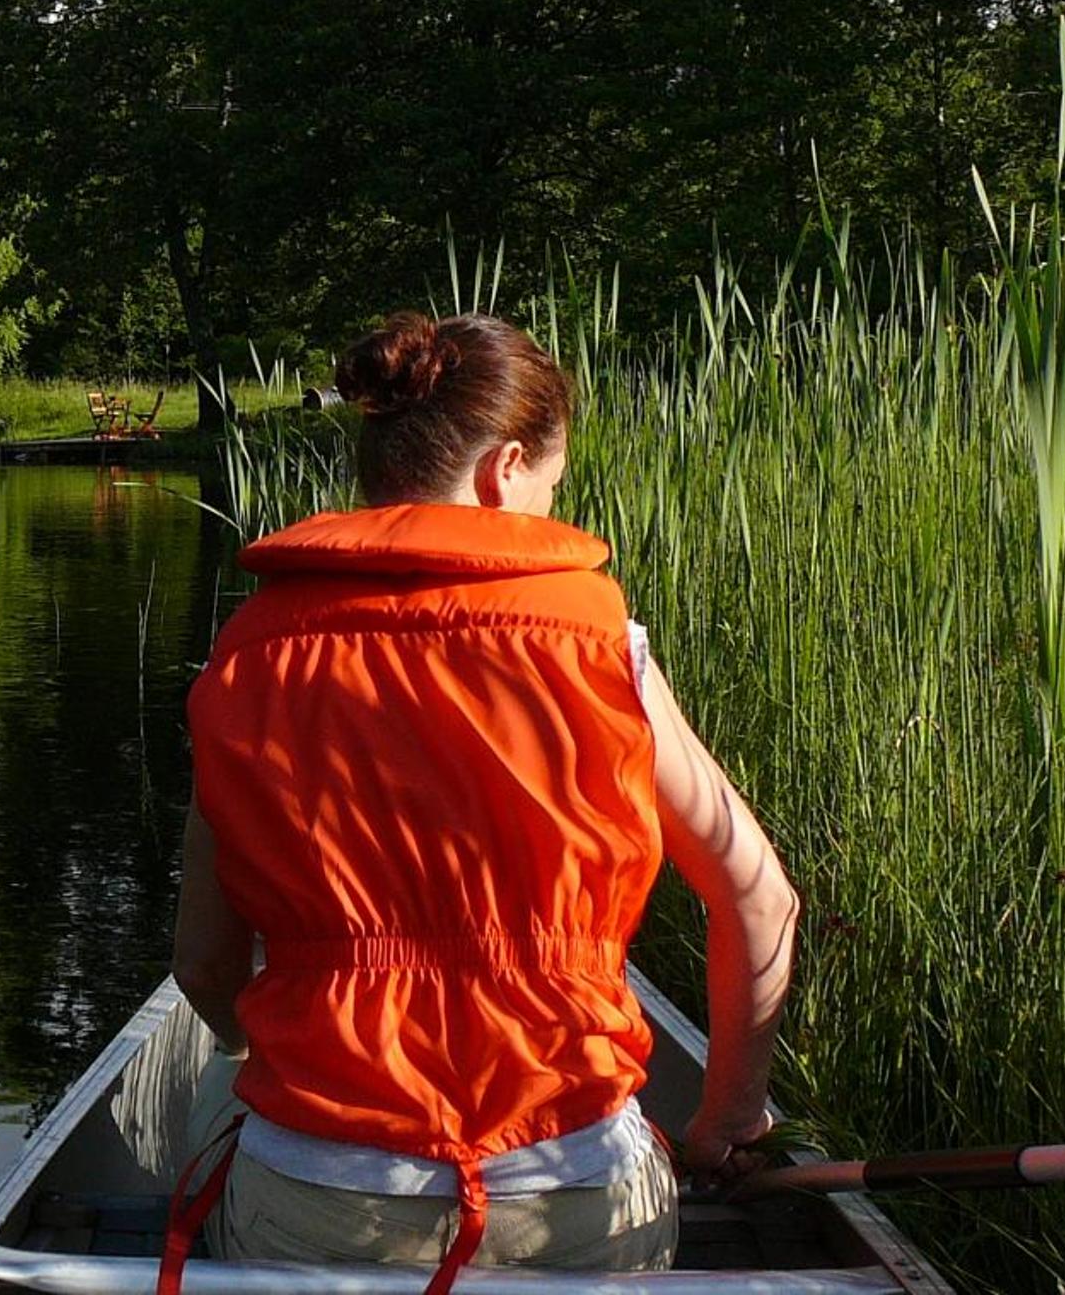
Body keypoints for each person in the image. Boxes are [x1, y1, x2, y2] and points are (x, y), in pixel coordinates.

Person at [166, 310, 798, 1289]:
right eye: (553, 486)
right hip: (573, 1193)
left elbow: (204, 966)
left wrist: (296, 1049)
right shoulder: (604, 646)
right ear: (506, 469)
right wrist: (725, 1120)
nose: (551, 507)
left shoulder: (249, 655)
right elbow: (759, 902)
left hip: (320, 1202)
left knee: (221, 1112)